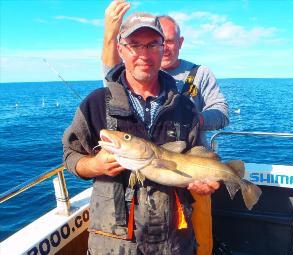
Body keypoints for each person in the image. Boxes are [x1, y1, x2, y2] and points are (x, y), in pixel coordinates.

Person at [63, 12, 220, 255]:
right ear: (121, 50)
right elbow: (70, 157)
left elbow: (197, 155)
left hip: (174, 243)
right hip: (114, 245)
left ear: (163, 49)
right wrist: (94, 165)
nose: (144, 54)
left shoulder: (185, 107)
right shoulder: (96, 103)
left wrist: (204, 184)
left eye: (152, 44)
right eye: (134, 45)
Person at [101, 2, 229, 255]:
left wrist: (193, 119)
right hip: (148, 171)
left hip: (191, 172)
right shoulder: (138, 72)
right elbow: (109, 77)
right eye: (144, 44)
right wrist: (108, 32)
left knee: (199, 241)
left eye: (168, 41)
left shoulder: (199, 73)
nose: (165, 48)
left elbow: (222, 112)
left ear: (180, 42)